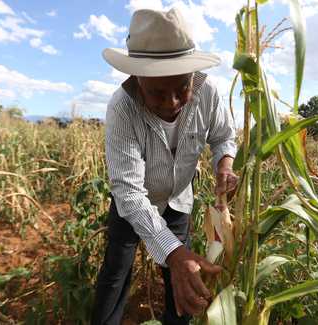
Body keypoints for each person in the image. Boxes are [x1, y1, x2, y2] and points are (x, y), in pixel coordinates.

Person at [91, 7, 238, 325]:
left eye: (182, 88)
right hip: (131, 207)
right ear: (137, 79)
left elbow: (224, 137)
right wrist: (175, 253)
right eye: (158, 93)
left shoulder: (207, 92)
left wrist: (224, 165)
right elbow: (128, 191)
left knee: (181, 284)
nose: (172, 102)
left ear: (191, 77)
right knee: (116, 273)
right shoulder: (123, 109)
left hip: (177, 201)